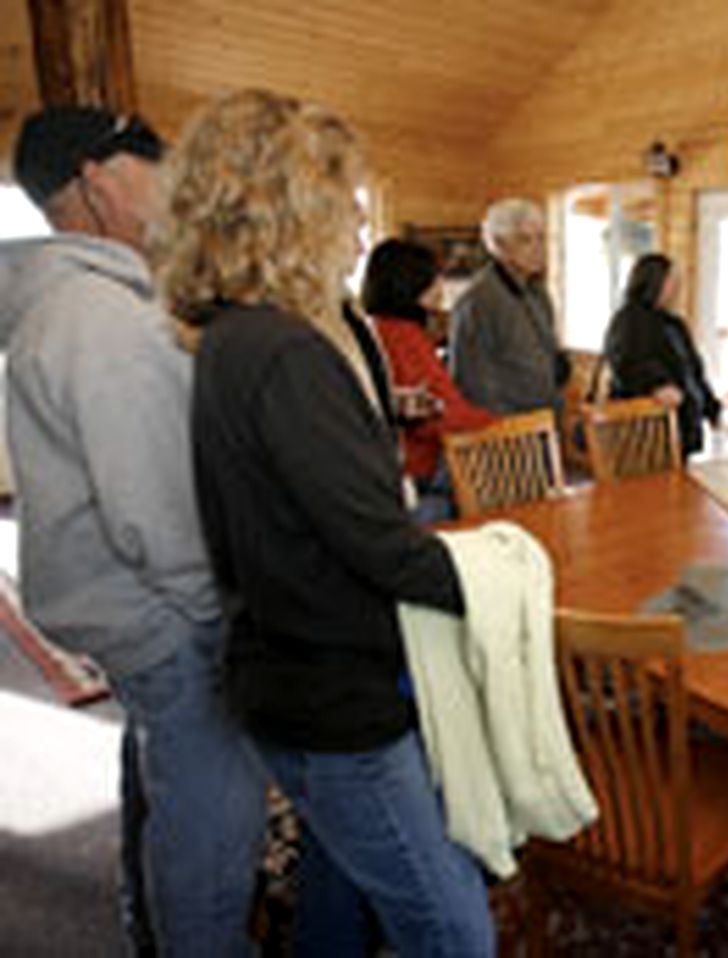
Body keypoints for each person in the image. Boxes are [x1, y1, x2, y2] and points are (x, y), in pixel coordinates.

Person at [162, 89, 493, 955]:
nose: (357, 229)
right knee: (456, 931)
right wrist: (511, 576)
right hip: (335, 689)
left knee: (341, 889)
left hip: (282, 667)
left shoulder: (230, 336)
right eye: (343, 205)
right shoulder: (286, 351)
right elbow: (380, 543)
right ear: (286, 211)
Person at [1, 106, 267, 955]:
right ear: (96, 178)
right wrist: (219, 620)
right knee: (211, 815)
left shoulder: (76, 301)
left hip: (121, 610)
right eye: (153, 165)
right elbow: (157, 507)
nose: (170, 187)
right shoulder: (99, 317)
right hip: (164, 616)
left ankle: (149, 923)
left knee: (163, 777)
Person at [362, 238, 496, 519]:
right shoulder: (403, 336)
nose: (441, 286)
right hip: (422, 473)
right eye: (433, 278)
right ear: (409, 283)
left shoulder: (379, 327)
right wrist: (495, 423)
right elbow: (434, 414)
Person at [448, 198, 570, 419]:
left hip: (544, 421)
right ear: (499, 245)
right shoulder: (478, 301)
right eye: (526, 240)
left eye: (541, 238)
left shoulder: (538, 291)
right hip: (508, 433)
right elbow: (472, 382)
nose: (538, 249)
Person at [602, 252, 720, 456]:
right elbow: (627, 364)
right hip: (645, 433)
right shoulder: (629, 319)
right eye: (672, 280)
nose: (678, 287)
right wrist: (657, 384)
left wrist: (712, 407)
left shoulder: (675, 324)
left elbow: (693, 372)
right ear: (654, 281)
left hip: (682, 429)